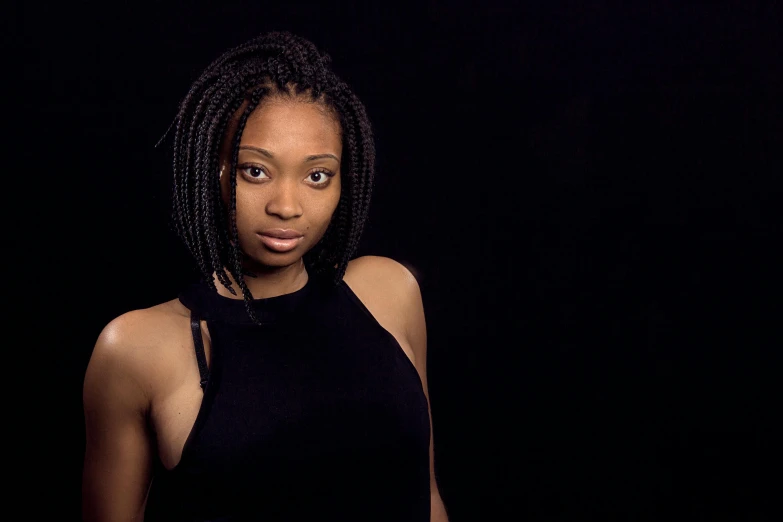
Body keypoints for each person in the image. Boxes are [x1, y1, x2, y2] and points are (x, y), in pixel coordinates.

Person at [81, 31, 449, 522]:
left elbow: (425, 498)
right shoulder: (139, 348)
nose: (286, 206)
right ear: (217, 168)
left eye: (317, 175)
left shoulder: (389, 293)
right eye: (256, 171)